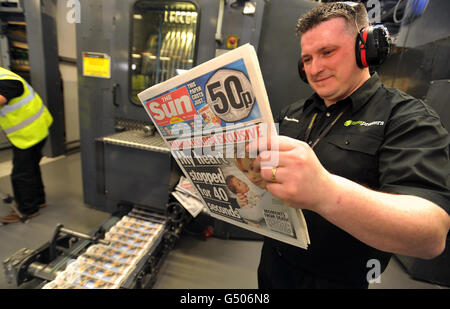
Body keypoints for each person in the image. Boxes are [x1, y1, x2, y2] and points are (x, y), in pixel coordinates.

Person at [251, 2, 450, 288]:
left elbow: (430, 234)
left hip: (339, 281)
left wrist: (325, 191)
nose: (315, 69)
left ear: (365, 49)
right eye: (306, 59)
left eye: (327, 52)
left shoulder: (407, 118)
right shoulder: (293, 112)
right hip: (272, 266)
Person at [0, 67, 53, 223]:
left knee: (21, 173)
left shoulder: (7, 82)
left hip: (29, 133)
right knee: (31, 168)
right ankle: (38, 200)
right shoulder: (4, 74)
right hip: (35, 128)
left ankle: (28, 209)